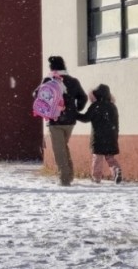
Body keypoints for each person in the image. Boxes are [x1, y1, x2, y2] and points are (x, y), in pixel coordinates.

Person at [35, 56, 87, 186]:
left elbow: (36, 94)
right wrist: (76, 109)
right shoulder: (73, 81)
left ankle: (64, 179)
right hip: (70, 121)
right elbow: (83, 97)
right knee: (63, 147)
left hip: (55, 120)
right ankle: (69, 175)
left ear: (51, 67)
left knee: (59, 150)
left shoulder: (49, 80)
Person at [76, 84, 122, 184]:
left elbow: (85, 118)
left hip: (98, 137)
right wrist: (115, 136)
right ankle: (116, 170)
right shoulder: (113, 106)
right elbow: (116, 123)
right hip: (111, 136)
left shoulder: (95, 106)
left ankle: (96, 178)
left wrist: (75, 114)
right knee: (110, 157)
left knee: (98, 157)